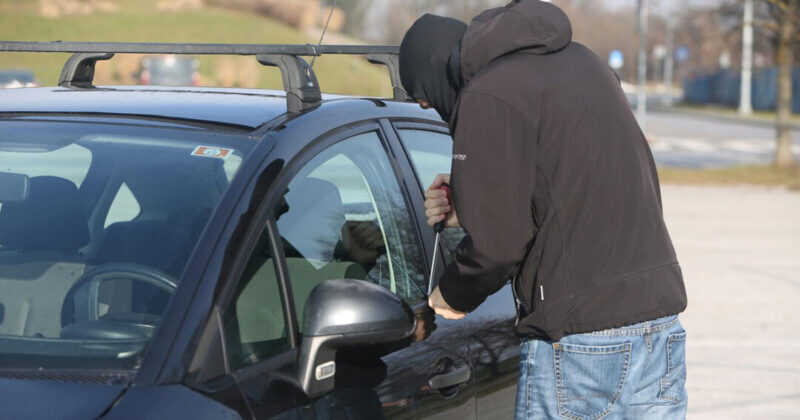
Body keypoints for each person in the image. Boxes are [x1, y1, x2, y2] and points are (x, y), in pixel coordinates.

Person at [398, 1, 689, 419]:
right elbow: (575, 182)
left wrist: (451, 294)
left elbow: (498, 246)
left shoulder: (487, 93)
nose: (435, 109)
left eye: (426, 101)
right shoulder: (584, 63)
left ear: (435, 74)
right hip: (658, 326)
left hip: (581, 342)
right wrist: (471, 200)